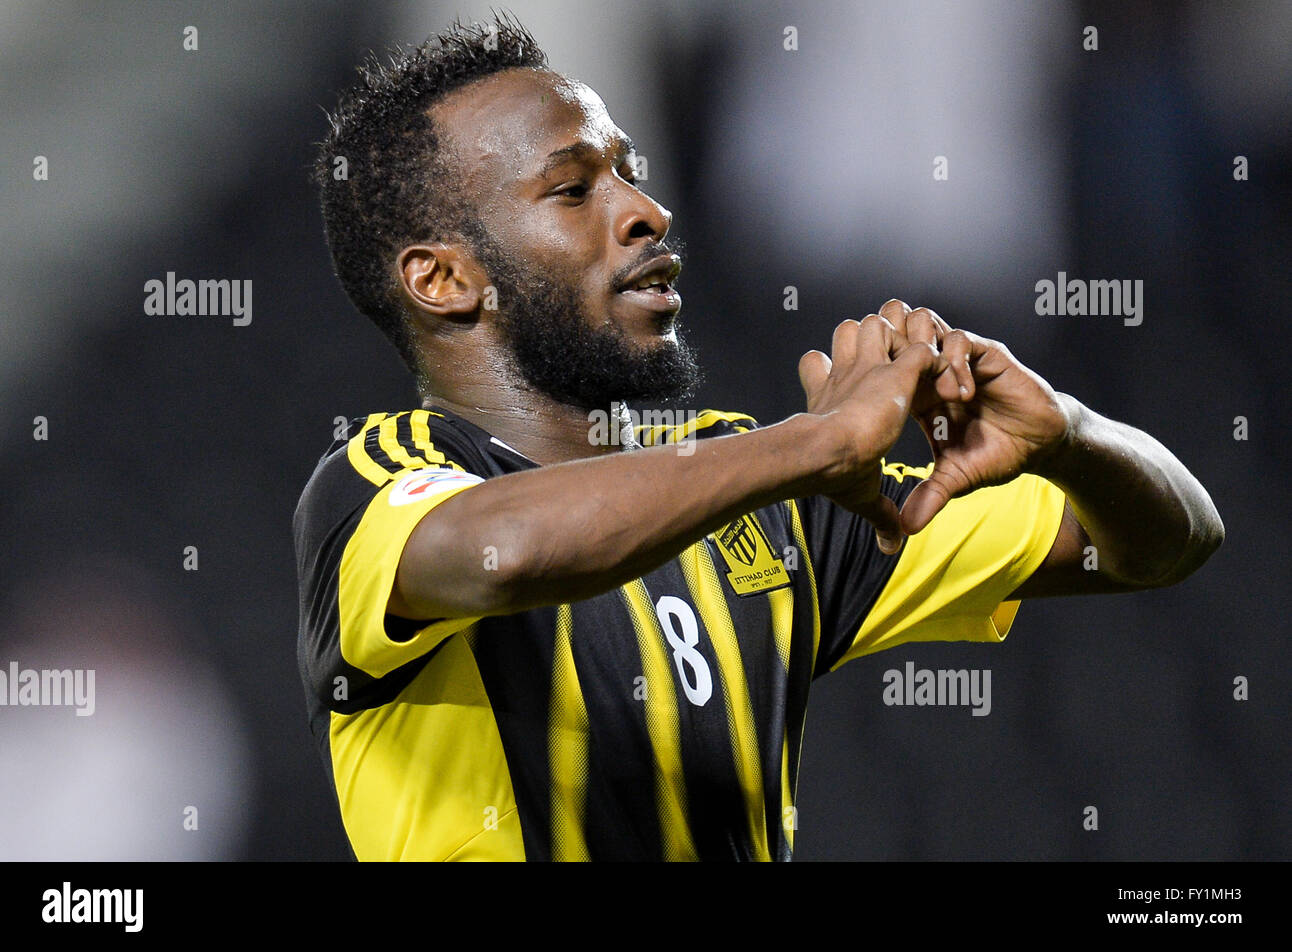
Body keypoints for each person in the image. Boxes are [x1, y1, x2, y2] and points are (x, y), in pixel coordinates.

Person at [293, 15, 1222, 861]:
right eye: (574, 189)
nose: (645, 210)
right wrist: (809, 447)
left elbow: (1162, 541)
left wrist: (1067, 433)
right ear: (443, 280)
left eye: (629, 170)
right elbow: (502, 554)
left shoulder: (774, 507)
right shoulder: (377, 482)